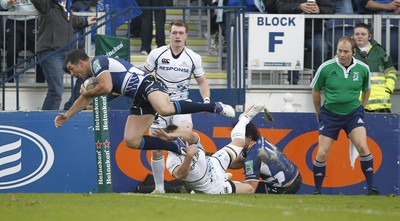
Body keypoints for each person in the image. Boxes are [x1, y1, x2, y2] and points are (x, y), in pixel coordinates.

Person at [54, 49, 235, 156]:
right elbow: (86, 97)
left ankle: (213, 106)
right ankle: (175, 146)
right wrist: (67, 115)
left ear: (81, 63)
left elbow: (106, 87)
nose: (72, 74)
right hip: (139, 97)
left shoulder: (97, 62)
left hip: (147, 83)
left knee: (164, 109)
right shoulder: (94, 73)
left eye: (72, 69)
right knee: (131, 140)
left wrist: (89, 92)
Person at [143, 20, 211, 194]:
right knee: (157, 146)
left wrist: (205, 100)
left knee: (187, 137)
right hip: (160, 105)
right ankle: (159, 188)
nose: (178, 36)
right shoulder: (156, 54)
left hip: (182, 104)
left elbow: (202, 81)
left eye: (181, 33)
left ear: (186, 35)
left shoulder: (194, 58)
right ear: (169, 35)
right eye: (174, 33)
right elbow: (144, 75)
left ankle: (194, 184)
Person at [310, 36, 379, 195]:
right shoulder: (326, 67)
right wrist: (319, 112)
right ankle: (317, 191)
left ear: (353, 52)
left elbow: (367, 89)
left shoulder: (363, 68)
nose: (341, 54)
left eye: (345, 51)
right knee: (322, 152)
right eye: (339, 51)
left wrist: (362, 107)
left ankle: (371, 189)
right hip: (330, 115)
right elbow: (315, 90)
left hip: (353, 114)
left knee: (362, 146)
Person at [153, 103, 266, 194]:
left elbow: (192, 136)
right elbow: (180, 175)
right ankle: (223, 180)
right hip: (212, 186)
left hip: (215, 163)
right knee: (250, 190)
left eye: (177, 133)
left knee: (239, 142)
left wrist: (172, 135)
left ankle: (244, 119)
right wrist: (188, 157)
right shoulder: (171, 160)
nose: (179, 136)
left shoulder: (189, 139)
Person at [31, 0, 96, 110]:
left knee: (87, 74)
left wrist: (85, 21)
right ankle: (47, 120)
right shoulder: (46, 4)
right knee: (56, 90)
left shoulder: (66, 6)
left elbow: (72, 20)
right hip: (50, 52)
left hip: (66, 52)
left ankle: (71, 108)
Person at [229, 121, 302, 194]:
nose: (235, 141)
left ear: (249, 138)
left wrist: (226, 185)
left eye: (238, 137)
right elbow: (241, 161)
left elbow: (250, 188)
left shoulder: (252, 158)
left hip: (286, 187)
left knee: (238, 188)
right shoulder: (257, 139)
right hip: (296, 175)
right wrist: (219, 165)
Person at [275, 0, 335, 84]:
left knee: (321, 47)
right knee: (292, 47)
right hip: (293, 33)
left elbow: (330, 10)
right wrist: (299, 6)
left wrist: (319, 10)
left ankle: (316, 81)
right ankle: (293, 82)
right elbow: (280, 7)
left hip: (314, 32)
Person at [353, 22, 398, 112]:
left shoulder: (380, 52)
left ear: (369, 36)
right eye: (357, 34)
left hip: (380, 103)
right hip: (357, 104)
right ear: (353, 36)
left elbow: (391, 72)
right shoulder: (347, 52)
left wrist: (388, 88)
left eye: (363, 34)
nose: (360, 36)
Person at [0, 0, 44, 83]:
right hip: (13, 20)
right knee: (11, 49)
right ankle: (10, 79)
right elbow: (3, 3)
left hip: (33, 19)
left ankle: (40, 80)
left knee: (39, 49)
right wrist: (9, 2)